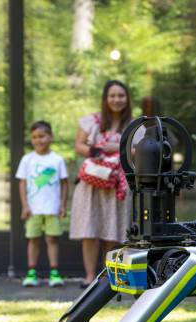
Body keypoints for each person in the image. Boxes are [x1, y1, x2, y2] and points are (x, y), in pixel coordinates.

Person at [69, 80, 133, 287]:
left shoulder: (135, 124)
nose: (116, 100)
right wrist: (100, 150)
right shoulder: (91, 121)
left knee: (112, 230)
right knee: (90, 229)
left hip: (118, 184)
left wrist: (118, 147)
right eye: (112, 96)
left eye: (121, 96)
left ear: (127, 99)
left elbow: (139, 151)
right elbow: (78, 145)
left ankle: (109, 276)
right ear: (105, 99)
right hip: (92, 183)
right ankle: (89, 276)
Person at [16, 121, 68, 287]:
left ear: (50, 137)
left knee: (52, 240)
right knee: (33, 240)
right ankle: (31, 273)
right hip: (33, 210)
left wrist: (62, 205)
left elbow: (64, 183)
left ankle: (54, 272)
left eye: (42, 136)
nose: (39, 140)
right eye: (35, 137)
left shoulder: (57, 160)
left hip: (52, 208)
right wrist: (25, 206)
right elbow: (22, 183)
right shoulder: (27, 159)